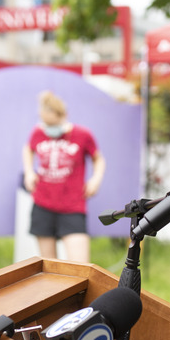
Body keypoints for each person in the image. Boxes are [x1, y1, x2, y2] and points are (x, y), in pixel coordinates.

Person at [22, 91, 105, 264]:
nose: (49, 128)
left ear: (64, 116)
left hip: (72, 206)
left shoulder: (82, 135)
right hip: (43, 205)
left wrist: (95, 180)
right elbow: (28, 149)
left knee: (80, 267)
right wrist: (29, 172)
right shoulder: (38, 132)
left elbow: (99, 159)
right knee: (49, 268)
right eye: (46, 123)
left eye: (53, 123)